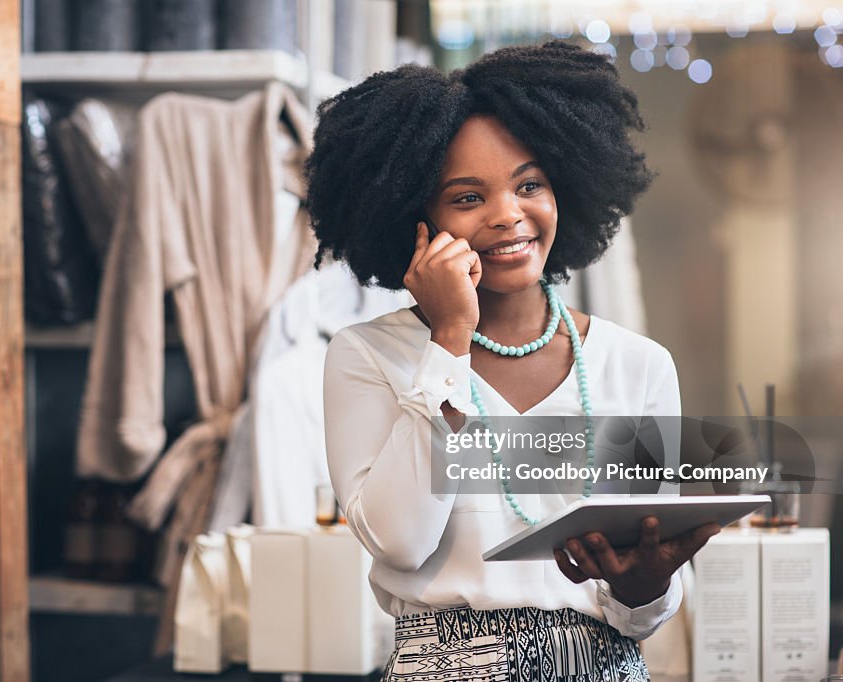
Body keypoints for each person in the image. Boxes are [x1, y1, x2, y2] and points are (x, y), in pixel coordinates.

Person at [306, 41, 720, 681]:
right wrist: (449, 337)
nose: (508, 215)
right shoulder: (366, 356)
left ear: (565, 190)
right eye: (467, 197)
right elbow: (401, 541)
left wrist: (646, 586)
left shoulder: (637, 365)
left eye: (529, 184)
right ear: (415, 220)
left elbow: (643, 614)